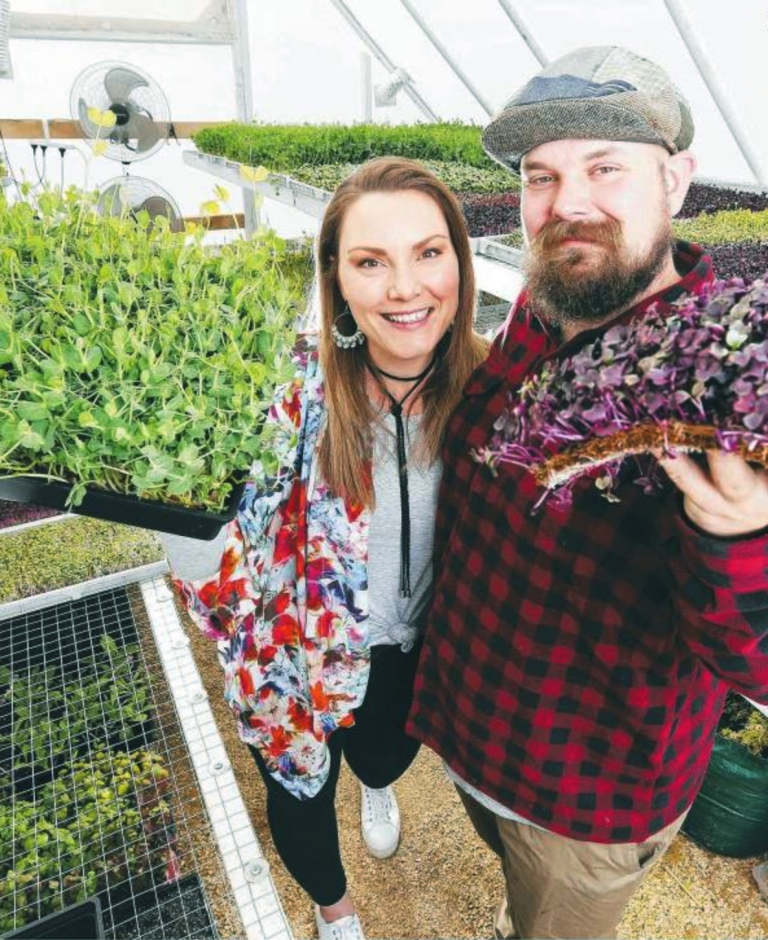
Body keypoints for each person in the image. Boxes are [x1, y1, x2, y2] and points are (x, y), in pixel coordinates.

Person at [406, 45, 768, 940]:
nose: (568, 202)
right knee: (507, 868)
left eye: (606, 167)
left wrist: (738, 535)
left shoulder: (728, 396)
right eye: (541, 175)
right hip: (470, 716)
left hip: (584, 793)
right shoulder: (542, 303)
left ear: (676, 182)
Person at [166, 156, 487, 940]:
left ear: (460, 263)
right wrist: (178, 514)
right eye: (370, 262)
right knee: (303, 789)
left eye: (428, 252)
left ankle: (374, 781)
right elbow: (220, 571)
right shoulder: (290, 397)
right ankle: (333, 907)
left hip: (418, 642)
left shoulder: (494, 390)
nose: (405, 288)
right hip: (302, 659)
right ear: (337, 281)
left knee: (384, 756)